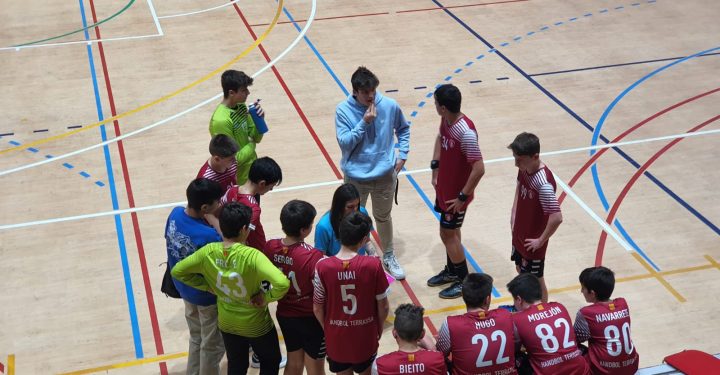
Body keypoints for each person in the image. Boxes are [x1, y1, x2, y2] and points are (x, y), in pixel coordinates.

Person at [172, 202, 290, 375]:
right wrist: (266, 298)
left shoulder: (208, 252)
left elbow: (178, 271)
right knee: (271, 360)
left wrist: (206, 286)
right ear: (243, 229)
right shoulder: (253, 256)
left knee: (236, 365)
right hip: (255, 323)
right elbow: (283, 283)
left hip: (226, 322)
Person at [335, 66, 410, 280]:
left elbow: (403, 129)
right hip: (355, 177)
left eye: (373, 92)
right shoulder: (343, 110)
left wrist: (402, 154)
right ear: (355, 91)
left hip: (384, 176)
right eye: (366, 93)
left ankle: (388, 255)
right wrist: (363, 123)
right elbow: (345, 143)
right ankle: (359, 253)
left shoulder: (389, 105)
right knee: (352, 218)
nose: (371, 96)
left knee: (383, 217)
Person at [426, 84, 485, 299]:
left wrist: (463, 196)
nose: (434, 106)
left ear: (442, 107)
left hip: (455, 196)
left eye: (435, 104)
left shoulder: (465, 132)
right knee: (452, 233)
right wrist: (435, 169)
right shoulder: (446, 120)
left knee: (447, 234)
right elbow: (440, 139)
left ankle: (463, 281)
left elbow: (479, 169)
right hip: (445, 189)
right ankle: (452, 271)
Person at [313, 211, 390, 375]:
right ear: (363, 240)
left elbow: (317, 307)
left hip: (336, 338)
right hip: (365, 336)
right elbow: (383, 307)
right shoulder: (373, 265)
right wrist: (379, 329)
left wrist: (328, 330)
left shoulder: (322, 266)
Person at [165, 178, 225, 375]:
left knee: (196, 337)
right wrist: (214, 220)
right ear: (205, 207)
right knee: (212, 345)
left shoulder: (174, 214)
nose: (221, 204)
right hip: (206, 297)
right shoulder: (208, 236)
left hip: (184, 288)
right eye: (218, 202)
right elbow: (226, 244)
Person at [265, 200, 326, 375]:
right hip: (310, 318)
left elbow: (263, 279)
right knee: (315, 366)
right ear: (304, 230)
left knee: (294, 361)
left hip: (285, 314)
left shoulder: (270, 247)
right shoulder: (312, 256)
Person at [509, 132, 562, 303]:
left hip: (532, 243)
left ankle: (542, 314)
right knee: (521, 271)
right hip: (519, 234)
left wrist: (540, 241)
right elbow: (519, 190)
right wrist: (513, 214)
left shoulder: (543, 183)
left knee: (535, 282)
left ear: (535, 156)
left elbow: (556, 218)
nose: (516, 163)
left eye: (520, 159)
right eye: (515, 158)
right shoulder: (525, 169)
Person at [507, 274, 589, 375]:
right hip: (580, 370)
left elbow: (513, 348)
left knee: (515, 357)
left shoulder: (517, 319)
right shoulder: (559, 307)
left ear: (519, 299)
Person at [436, 273, 516, 375]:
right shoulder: (506, 316)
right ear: (488, 299)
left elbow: (439, 354)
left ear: (463, 296)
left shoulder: (451, 324)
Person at [574, 267, 639, 374]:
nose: (581, 291)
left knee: (568, 349)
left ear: (592, 293)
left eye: (583, 288)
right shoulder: (622, 303)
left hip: (603, 371)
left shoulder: (586, 313)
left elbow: (574, 340)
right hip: (631, 367)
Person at [209, 69, 265, 185]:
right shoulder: (221, 120)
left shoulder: (241, 106)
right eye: (244, 90)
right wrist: (251, 144)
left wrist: (259, 120)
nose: (248, 93)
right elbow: (233, 159)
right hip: (237, 183)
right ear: (231, 93)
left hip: (252, 173)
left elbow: (256, 138)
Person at [222, 156, 282, 252]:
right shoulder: (253, 208)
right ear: (262, 184)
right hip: (255, 250)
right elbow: (243, 237)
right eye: (271, 187)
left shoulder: (231, 190)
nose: (271, 190)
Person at [372, 304, 446, 375]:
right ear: (422, 334)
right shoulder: (437, 360)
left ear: (394, 333)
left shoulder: (380, 364)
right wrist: (432, 350)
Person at [314, 183, 375, 256]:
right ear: (339, 206)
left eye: (357, 205)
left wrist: (373, 255)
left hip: (359, 264)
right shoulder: (323, 227)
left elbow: (366, 240)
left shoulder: (362, 212)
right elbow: (320, 256)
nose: (355, 210)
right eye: (350, 207)